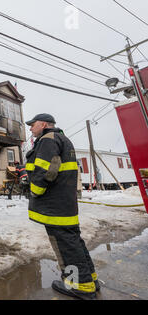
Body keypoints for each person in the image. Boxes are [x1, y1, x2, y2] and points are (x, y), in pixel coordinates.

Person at [25, 113, 98, 300]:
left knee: (66, 246)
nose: (30, 129)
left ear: (43, 124)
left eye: (32, 125)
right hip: (64, 204)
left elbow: (45, 170)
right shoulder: (61, 138)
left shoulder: (48, 140)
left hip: (54, 206)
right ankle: (89, 279)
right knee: (74, 242)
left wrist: (34, 191)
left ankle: (79, 286)